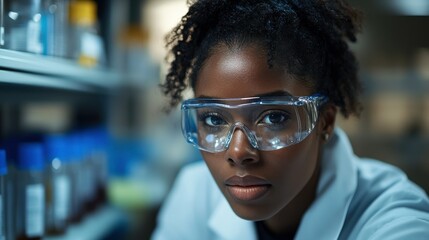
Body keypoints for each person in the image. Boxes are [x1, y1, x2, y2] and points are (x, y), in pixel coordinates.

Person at [151, 0, 429, 239]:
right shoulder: (194, 194)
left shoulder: (391, 216)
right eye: (213, 119)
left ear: (325, 121)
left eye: (273, 117)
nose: (237, 152)